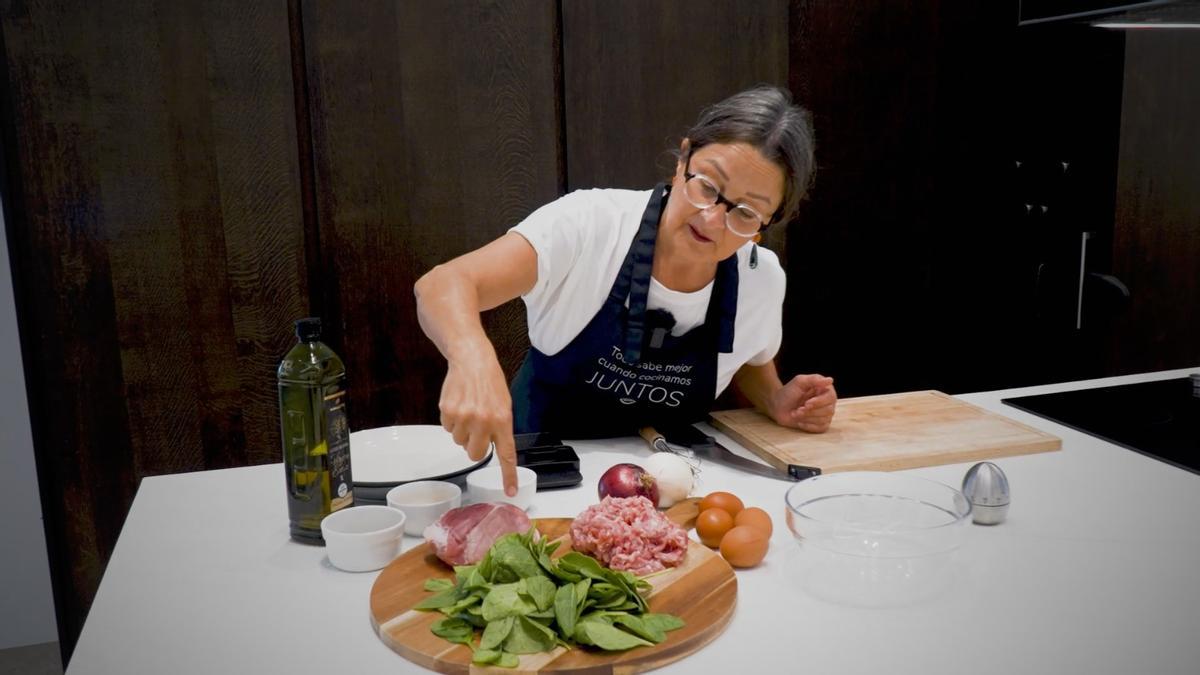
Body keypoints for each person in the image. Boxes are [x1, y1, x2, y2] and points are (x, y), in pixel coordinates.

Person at [415, 85, 837, 496]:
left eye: (745, 213)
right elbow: (443, 284)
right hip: (538, 479)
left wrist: (777, 399)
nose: (711, 220)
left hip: (670, 488)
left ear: (767, 224)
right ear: (683, 158)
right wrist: (472, 357)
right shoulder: (590, 224)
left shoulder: (761, 279)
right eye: (708, 186)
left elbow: (747, 362)